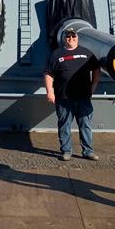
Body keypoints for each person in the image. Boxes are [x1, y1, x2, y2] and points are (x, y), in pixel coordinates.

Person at [44, 27, 101, 161]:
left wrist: (93, 86)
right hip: (63, 98)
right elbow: (48, 73)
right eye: (68, 37)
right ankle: (66, 151)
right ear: (64, 38)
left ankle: (88, 151)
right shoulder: (56, 54)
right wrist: (50, 92)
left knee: (85, 125)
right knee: (64, 125)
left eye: (73, 37)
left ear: (77, 38)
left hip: (83, 97)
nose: (71, 39)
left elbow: (96, 69)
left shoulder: (87, 53)